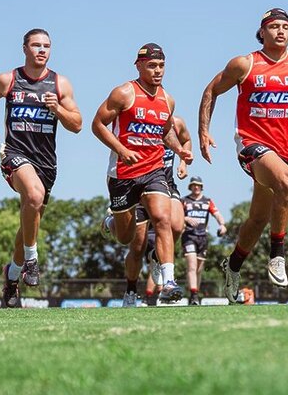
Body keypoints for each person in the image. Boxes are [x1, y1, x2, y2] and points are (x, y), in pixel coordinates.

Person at [198, 8, 288, 304]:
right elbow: (211, 90)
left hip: (283, 150)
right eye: (274, 27)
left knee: (257, 219)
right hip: (251, 145)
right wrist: (203, 132)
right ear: (262, 32)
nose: (280, 31)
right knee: (287, 182)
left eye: (286, 26)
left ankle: (232, 266)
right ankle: (277, 254)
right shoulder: (245, 64)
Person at [0, 28, 82, 308]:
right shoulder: (9, 80)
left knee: (29, 221)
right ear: (25, 48)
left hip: (47, 162)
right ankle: (32, 261)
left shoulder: (60, 84)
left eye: (46, 46)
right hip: (15, 154)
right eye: (36, 45)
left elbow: (78, 125)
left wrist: (57, 109)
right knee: (33, 196)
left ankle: (11, 277)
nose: (42, 50)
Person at [92, 43, 192, 304]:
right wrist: (121, 149)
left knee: (163, 219)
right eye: (152, 65)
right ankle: (111, 222)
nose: (158, 71)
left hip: (154, 170)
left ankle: (169, 281)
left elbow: (166, 131)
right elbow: (97, 124)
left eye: (161, 65)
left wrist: (180, 151)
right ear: (139, 66)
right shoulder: (124, 93)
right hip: (123, 173)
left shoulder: (166, 99)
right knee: (126, 239)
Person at [120, 116, 192, 307]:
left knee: (177, 225)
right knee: (137, 248)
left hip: (165, 184)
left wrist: (183, 162)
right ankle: (131, 290)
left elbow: (186, 140)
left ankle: (156, 257)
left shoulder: (177, 123)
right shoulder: (139, 124)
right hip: (140, 187)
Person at [181, 176, 227, 305]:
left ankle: (194, 292)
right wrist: (185, 218)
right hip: (189, 236)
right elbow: (176, 215)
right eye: (194, 185)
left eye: (198, 185)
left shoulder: (207, 201)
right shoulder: (184, 200)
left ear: (201, 187)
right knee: (191, 266)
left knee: (199, 269)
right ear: (190, 186)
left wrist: (222, 225)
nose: (196, 187)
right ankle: (194, 295)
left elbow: (217, 214)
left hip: (203, 237)